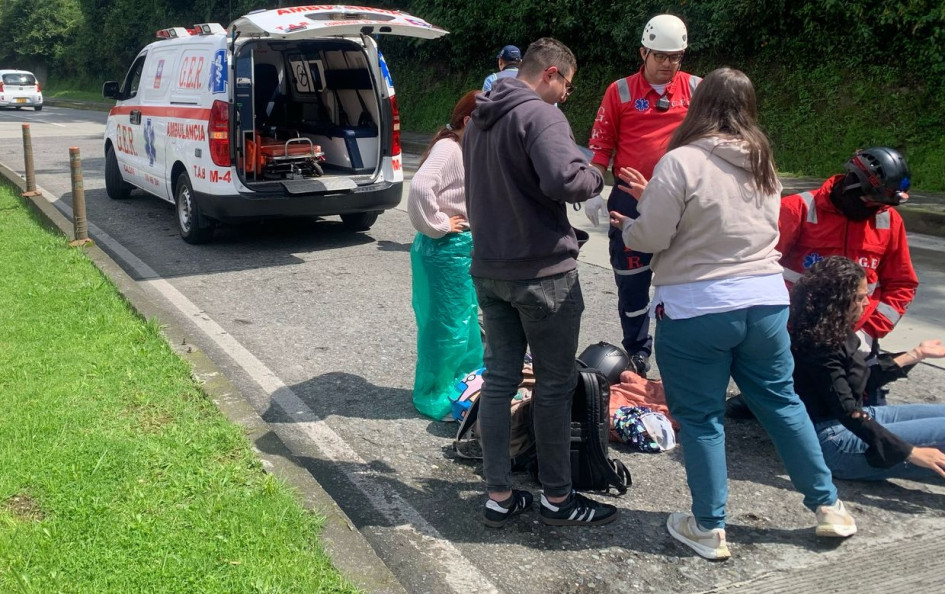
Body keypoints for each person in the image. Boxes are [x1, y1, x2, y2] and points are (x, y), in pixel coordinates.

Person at [609, 67, 856, 560]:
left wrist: (629, 225)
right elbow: (733, 223)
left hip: (698, 306)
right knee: (783, 403)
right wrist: (651, 199)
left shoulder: (680, 161)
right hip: (764, 302)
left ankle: (709, 526)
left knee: (701, 418)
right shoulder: (765, 164)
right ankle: (829, 507)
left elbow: (654, 236)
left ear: (698, 106)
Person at [463, 37, 616, 528]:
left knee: (499, 381)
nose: (566, 96)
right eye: (567, 85)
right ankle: (557, 496)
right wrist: (595, 176)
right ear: (551, 73)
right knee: (554, 384)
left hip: (490, 268)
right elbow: (562, 180)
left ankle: (499, 494)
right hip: (542, 274)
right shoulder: (541, 116)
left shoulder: (478, 119)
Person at [585, 14, 701, 377]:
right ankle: (637, 350)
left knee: (684, 280)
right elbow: (601, 145)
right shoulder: (619, 91)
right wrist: (592, 189)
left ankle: (681, 353)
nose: (669, 64)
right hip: (629, 202)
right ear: (643, 52)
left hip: (681, 202)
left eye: (676, 57)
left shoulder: (697, 90)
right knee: (631, 281)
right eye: (661, 56)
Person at [789, 256, 945, 481]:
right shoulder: (818, 346)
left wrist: (915, 355)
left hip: (853, 421)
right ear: (839, 300)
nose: (867, 303)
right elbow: (847, 410)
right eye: (861, 297)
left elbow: (860, 381)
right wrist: (909, 451)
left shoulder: (831, 330)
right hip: (833, 441)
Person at [777, 147, 918, 357]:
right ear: (853, 183)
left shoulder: (888, 220)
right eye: (870, 201)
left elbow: (901, 284)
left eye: (881, 204)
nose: (875, 208)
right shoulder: (797, 209)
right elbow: (759, 270)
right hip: (793, 332)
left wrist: (869, 331)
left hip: (855, 338)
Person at [407, 90, 484, 421]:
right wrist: (438, 224)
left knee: (463, 325)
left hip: (455, 251)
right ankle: (436, 395)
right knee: (447, 328)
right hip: (445, 250)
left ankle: (462, 388)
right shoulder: (450, 148)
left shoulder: (463, 147)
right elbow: (421, 186)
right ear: (468, 121)